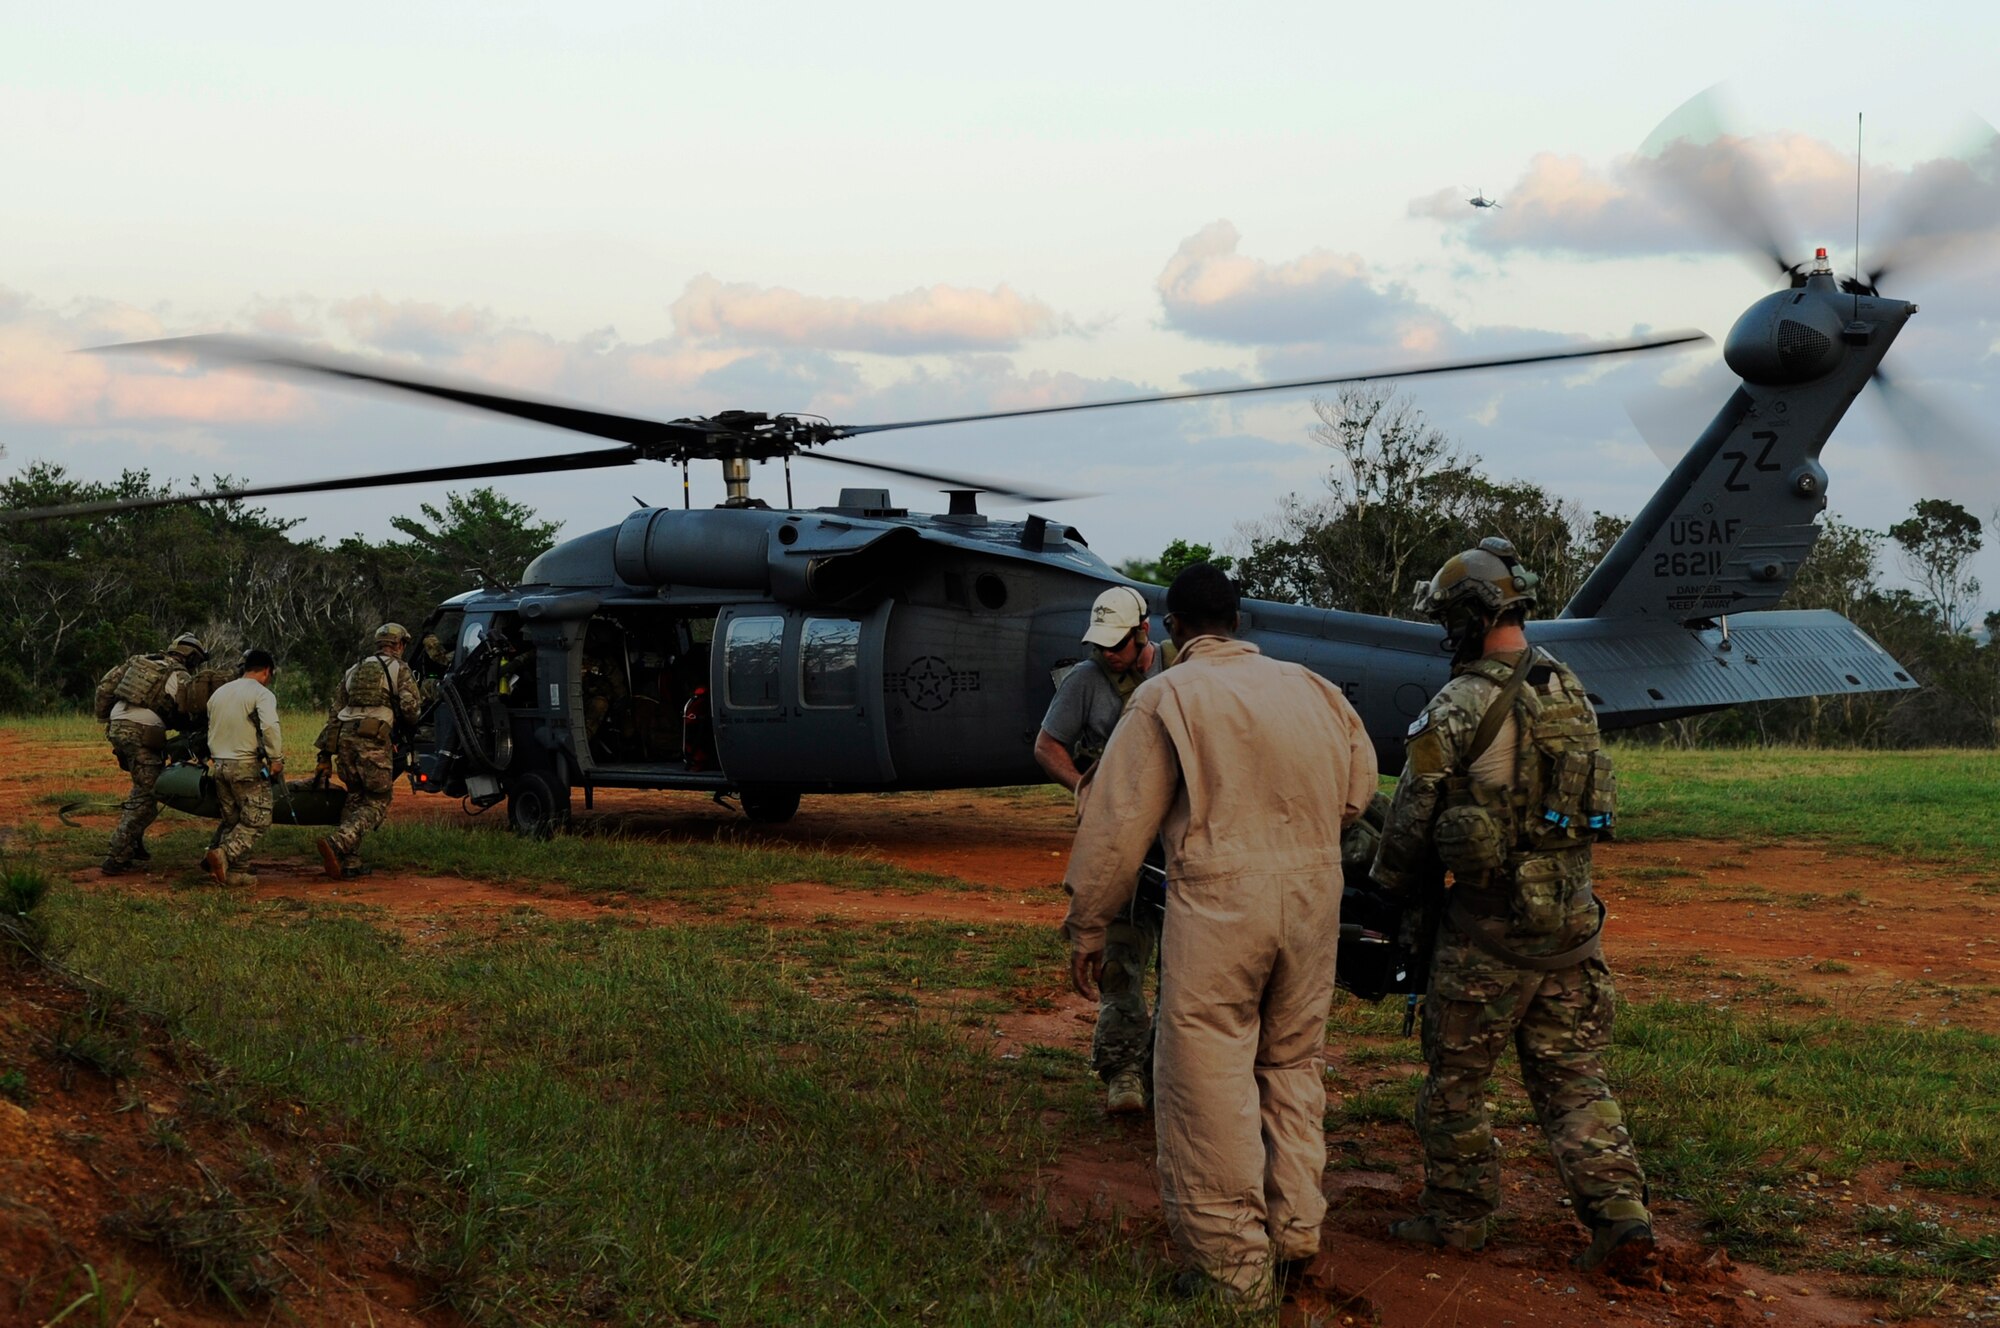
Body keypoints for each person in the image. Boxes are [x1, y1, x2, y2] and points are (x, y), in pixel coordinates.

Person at [1062, 564, 1376, 1302]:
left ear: (1172, 627)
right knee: (1292, 1066)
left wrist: (1089, 923)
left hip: (1221, 899)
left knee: (1205, 1076)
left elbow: (1115, 827)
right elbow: (1359, 793)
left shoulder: (1166, 695)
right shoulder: (1313, 687)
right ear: (1239, 620)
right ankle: (1294, 1231)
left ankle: (1232, 1273)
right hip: (1312, 896)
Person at [1371, 537, 1653, 1273]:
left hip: (1489, 933)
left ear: (1465, 619)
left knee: (1456, 1082)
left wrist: (1387, 885)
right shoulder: (1570, 689)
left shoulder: (1459, 703)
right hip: (1569, 926)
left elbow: (1410, 820)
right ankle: (1620, 1214)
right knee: (1573, 1079)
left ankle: (1459, 1217)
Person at [1034, 584, 1166, 1115]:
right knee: (1122, 962)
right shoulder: (1085, 681)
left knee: (1189, 969)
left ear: (1144, 632)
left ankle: (1171, 1073)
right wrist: (1084, 789)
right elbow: (1047, 745)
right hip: (1122, 847)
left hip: (1180, 846)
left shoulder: (1179, 671)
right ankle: (1123, 1073)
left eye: (1118, 643)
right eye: (1101, 643)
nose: (1108, 653)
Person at [93, 633, 207, 875]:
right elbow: (185, 715)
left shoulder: (139, 661)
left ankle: (134, 845)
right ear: (192, 657)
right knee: (149, 797)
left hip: (117, 726)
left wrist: (107, 719)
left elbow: (105, 687)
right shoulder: (180, 676)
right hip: (141, 734)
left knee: (141, 786)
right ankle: (117, 855)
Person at [315, 623, 422, 879]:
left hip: (346, 740)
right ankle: (338, 842)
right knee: (377, 799)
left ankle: (349, 861)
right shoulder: (400, 669)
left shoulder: (354, 669)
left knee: (355, 796)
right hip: (373, 740)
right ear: (399, 645)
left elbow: (334, 713)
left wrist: (325, 754)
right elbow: (411, 710)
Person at [202, 649, 283, 887]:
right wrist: (275, 758)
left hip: (219, 765)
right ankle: (222, 855)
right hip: (245, 765)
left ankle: (235, 873)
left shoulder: (219, 693)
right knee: (259, 818)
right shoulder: (261, 693)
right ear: (267, 671)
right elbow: (270, 726)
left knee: (234, 820)